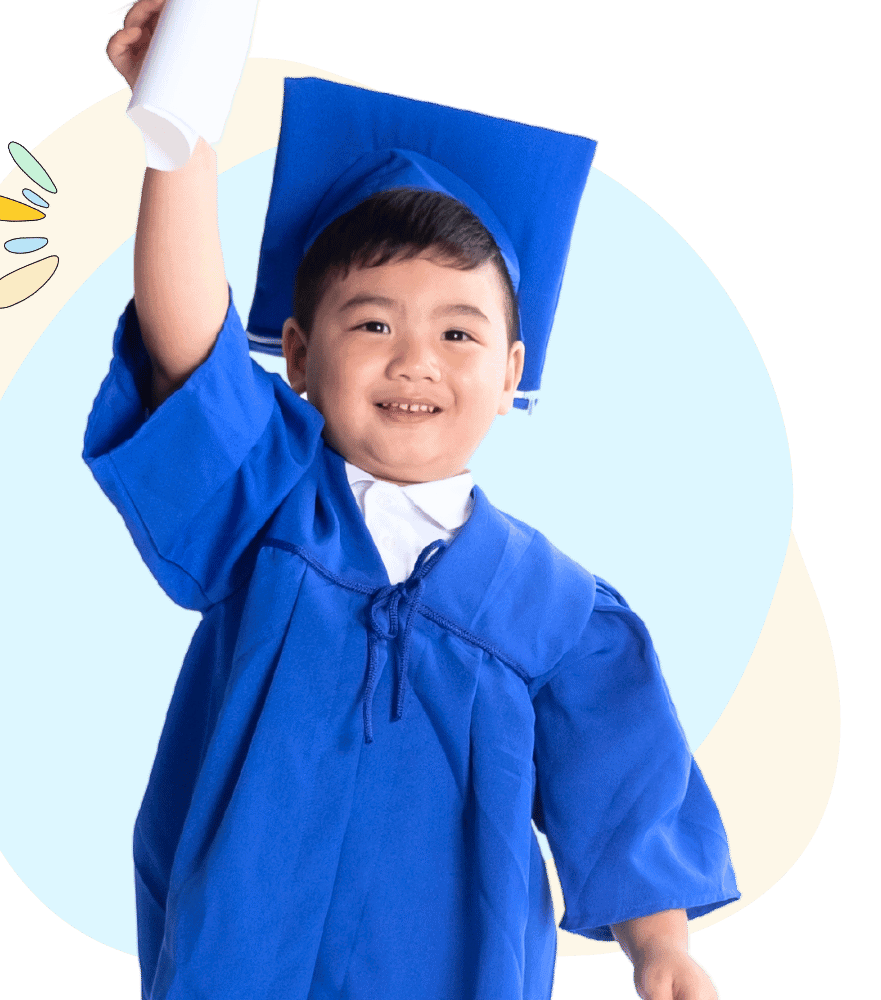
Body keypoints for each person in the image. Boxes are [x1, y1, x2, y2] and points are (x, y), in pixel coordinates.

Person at [87, 3, 739, 998]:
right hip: (239, 959)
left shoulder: (555, 609)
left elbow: (620, 783)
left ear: (514, 368)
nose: (413, 361)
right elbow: (192, 351)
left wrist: (662, 947)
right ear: (298, 355)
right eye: (373, 321)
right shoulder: (271, 511)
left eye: (459, 334)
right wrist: (180, 129)